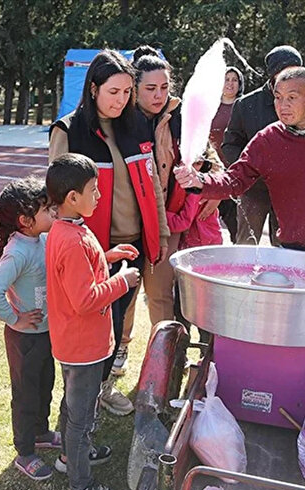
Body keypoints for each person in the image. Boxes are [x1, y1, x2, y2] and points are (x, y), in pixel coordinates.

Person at [49, 49, 169, 416]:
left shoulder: (137, 126)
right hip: (92, 247)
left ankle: (101, 390)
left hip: (136, 243)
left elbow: (153, 186)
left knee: (118, 325)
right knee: (93, 329)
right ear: (94, 88)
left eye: (126, 92)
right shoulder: (69, 130)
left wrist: (160, 233)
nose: (121, 100)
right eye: (113, 92)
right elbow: (55, 197)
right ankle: (79, 405)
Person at [175, 66, 305, 260]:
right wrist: (200, 180)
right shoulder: (269, 140)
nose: (282, 106)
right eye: (278, 97)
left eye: (292, 97)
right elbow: (234, 180)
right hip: (296, 252)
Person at [113, 46, 223, 377]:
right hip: (129, 226)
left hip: (167, 226)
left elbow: (211, 159)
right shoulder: (120, 120)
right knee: (125, 296)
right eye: (150, 88)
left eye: (164, 87)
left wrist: (212, 183)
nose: (159, 95)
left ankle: (157, 365)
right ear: (135, 87)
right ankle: (120, 347)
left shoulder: (180, 118)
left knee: (160, 295)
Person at [45, 153, 140, 490]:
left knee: (74, 407)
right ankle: (79, 489)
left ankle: (69, 457)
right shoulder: (70, 239)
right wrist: (122, 281)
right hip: (83, 347)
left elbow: (83, 268)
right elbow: (85, 299)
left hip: (77, 343)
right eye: (93, 190)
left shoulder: (69, 229)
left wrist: (108, 256)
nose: (99, 196)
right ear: (72, 198)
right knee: (82, 420)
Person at [0, 178, 60, 481]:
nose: (52, 212)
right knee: (26, 394)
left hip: (44, 334)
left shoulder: (39, 240)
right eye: (45, 209)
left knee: (45, 385)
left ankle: (40, 432)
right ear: (26, 221)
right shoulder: (18, 252)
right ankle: (25, 451)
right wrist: (15, 319)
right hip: (24, 339)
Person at [222, 46, 303, 245]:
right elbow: (230, 144)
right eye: (286, 72)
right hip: (253, 189)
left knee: (285, 248)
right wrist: (249, 169)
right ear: (273, 73)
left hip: (289, 191)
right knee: (245, 245)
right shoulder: (247, 105)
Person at [209, 67, 244, 242]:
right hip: (211, 173)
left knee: (236, 227)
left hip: (235, 175)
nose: (230, 83)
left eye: (234, 80)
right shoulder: (209, 106)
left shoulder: (244, 107)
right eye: (226, 79)